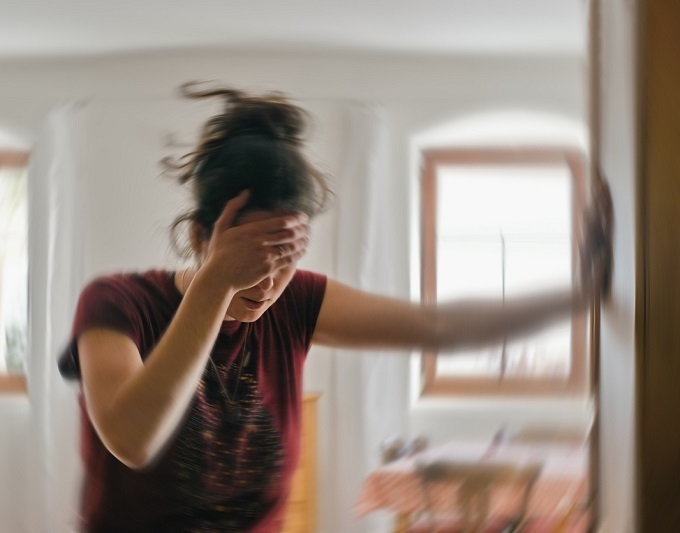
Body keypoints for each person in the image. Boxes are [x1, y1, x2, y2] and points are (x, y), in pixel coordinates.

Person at [58, 82, 612, 533]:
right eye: (249, 253)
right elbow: (133, 439)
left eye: (285, 256)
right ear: (202, 236)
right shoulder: (117, 303)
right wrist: (216, 285)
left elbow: (439, 325)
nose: (267, 280)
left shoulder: (297, 303)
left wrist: (580, 292)